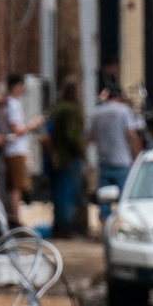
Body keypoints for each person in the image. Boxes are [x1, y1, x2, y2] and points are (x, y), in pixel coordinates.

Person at [88, 85, 145, 225]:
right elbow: (130, 134)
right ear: (120, 97)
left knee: (104, 200)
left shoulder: (97, 112)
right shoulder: (124, 111)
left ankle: (105, 228)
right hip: (122, 162)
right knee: (124, 199)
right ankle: (122, 227)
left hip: (104, 161)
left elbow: (91, 136)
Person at [46, 79, 88, 239]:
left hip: (57, 158)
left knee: (59, 193)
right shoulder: (71, 110)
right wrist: (81, 150)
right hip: (69, 158)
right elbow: (72, 136)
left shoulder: (58, 108)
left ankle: (58, 225)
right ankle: (66, 228)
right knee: (69, 193)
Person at [1, 75, 35, 205]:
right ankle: (16, 220)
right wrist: (32, 125)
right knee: (17, 187)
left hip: (12, 149)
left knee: (15, 187)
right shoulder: (13, 105)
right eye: (21, 85)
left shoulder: (8, 104)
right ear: (15, 87)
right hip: (16, 150)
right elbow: (16, 130)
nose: (24, 88)